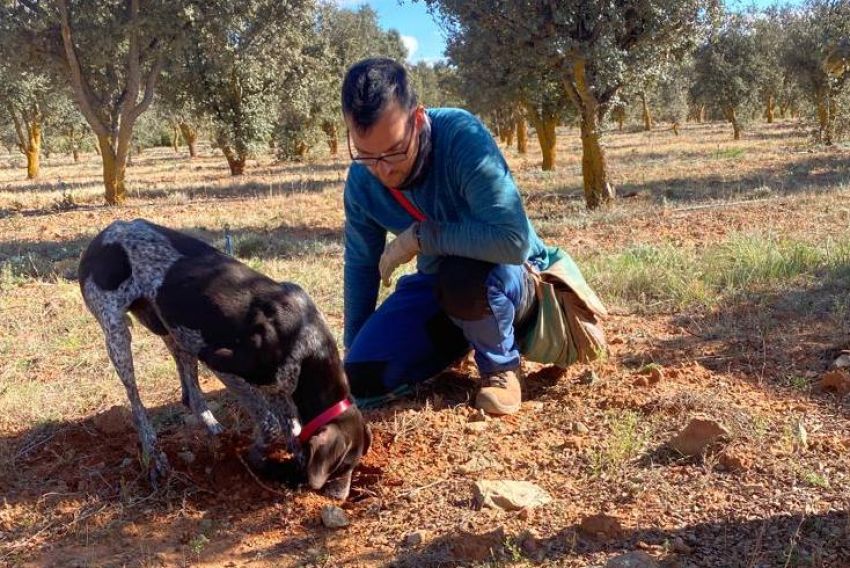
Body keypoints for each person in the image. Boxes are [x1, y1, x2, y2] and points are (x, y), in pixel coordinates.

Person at [340, 57, 604, 415]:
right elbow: (360, 265)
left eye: (395, 150)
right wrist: (350, 356)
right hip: (439, 288)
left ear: (417, 120)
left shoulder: (461, 136)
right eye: (367, 156)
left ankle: (501, 370)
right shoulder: (362, 184)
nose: (382, 170)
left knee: (462, 276)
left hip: (514, 279)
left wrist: (421, 237)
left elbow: (512, 241)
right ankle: (464, 338)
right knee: (361, 377)